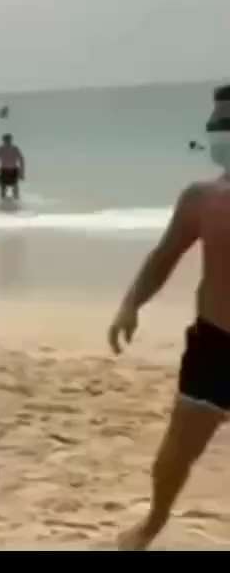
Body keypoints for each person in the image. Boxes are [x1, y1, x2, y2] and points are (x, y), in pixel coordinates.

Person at [109, 83, 230, 550]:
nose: (220, 133)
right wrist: (130, 304)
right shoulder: (202, 197)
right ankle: (154, 521)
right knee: (175, 454)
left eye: (228, 124)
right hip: (214, 345)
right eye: (216, 124)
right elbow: (164, 256)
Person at [0, 134, 25, 201]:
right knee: (3, 189)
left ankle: (18, 203)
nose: (7, 141)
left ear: (11, 140)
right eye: (6, 140)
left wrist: (22, 173)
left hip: (13, 170)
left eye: (9, 140)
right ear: (3, 140)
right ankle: (1, 204)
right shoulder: (0, 149)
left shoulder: (15, 149)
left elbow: (21, 160)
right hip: (4, 170)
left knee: (15, 187)